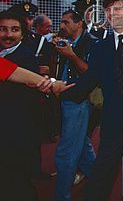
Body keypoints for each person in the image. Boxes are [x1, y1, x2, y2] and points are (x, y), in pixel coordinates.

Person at [58, 0, 123, 201]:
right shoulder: (100, 47)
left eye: (118, 9)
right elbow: (90, 79)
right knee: (104, 166)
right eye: (109, 10)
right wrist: (62, 90)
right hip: (114, 114)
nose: (113, 13)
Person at [0, 11, 72, 200]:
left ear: (23, 34)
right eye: (3, 29)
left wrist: (47, 84)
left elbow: (13, 73)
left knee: (16, 182)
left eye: (14, 30)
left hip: (15, 131)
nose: (8, 35)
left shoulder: (25, 56)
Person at [52, 9, 97, 201]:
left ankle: (62, 196)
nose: (62, 26)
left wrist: (70, 54)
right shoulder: (63, 41)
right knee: (82, 146)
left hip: (79, 101)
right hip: (64, 98)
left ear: (79, 24)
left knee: (67, 151)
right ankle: (99, 179)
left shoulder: (92, 42)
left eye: (66, 22)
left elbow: (90, 73)